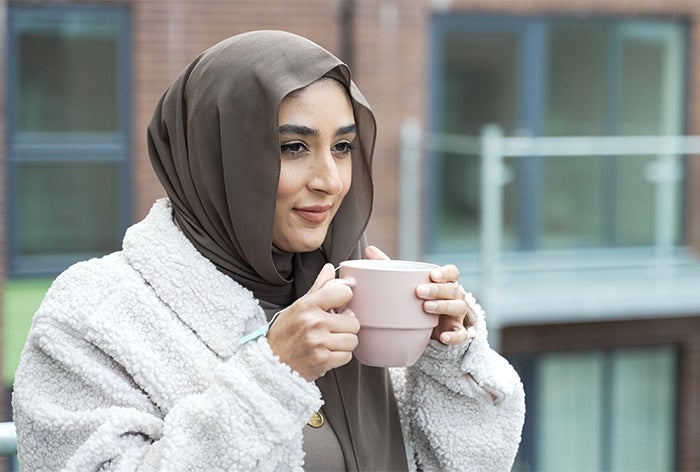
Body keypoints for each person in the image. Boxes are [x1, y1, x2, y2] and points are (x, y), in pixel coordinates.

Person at [12, 30, 525, 471]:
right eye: (293, 147)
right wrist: (274, 373)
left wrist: (448, 362)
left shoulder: (353, 290)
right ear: (216, 157)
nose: (330, 180)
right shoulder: (93, 316)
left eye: (343, 147)